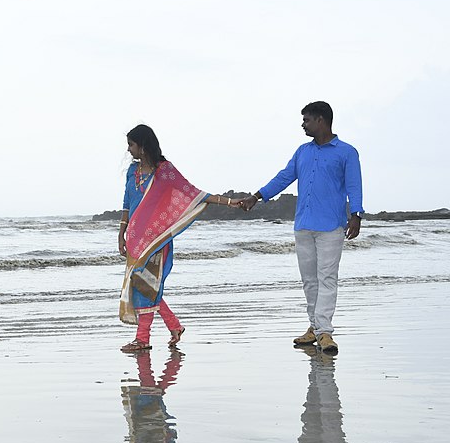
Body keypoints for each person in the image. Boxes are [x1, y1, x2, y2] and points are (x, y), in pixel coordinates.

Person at [238, 101, 363, 353]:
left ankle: (325, 331)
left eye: (306, 120)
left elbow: (354, 185)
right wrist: (257, 196)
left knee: (327, 278)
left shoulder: (347, 152)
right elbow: (284, 177)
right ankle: (314, 327)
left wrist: (356, 215)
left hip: (330, 226)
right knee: (309, 280)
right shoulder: (302, 152)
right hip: (303, 224)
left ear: (321, 120)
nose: (303, 125)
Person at [118, 124, 237, 352]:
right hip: (136, 238)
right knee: (143, 283)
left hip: (157, 239)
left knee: (147, 285)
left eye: (131, 145)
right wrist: (121, 233)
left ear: (142, 146)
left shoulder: (164, 171)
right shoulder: (132, 172)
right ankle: (174, 326)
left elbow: (193, 192)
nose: (129, 150)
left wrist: (231, 202)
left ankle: (143, 339)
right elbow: (126, 203)